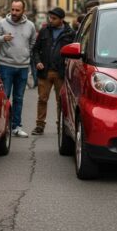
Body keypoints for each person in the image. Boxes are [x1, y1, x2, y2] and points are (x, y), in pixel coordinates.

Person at [0, 0, 36, 138]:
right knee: (5, 97)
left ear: (23, 11)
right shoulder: (2, 24)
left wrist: (26, 55)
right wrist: (2, 39)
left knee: (19, 98)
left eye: (17, 10)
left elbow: (32, 43)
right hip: (6, 65)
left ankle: (16, 126)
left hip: (23, 67)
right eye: (12, 9)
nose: (14, 12)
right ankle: (3, 126)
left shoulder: (30, 25)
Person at [31, 7, 75, 135]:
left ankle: (60, 125)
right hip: (45, 71)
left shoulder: (70, 33)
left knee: (60, 101)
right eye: (50, 18)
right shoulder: (45, 31)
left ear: (62, 19)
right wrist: (38, 62)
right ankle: (39, 126)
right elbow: (35, 49)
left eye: (54, 19)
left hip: (61, 73)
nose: (51, 20)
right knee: (42, 99)